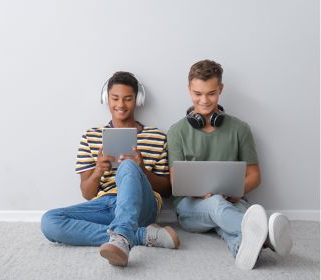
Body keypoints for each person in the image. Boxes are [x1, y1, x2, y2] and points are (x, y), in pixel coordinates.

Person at [41, 71, 180, 267]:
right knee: (49, 221)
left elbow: (167, 190)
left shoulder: (156, 136)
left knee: (128, 165)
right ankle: (139, 235)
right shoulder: (91, 136)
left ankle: (122, 238)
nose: (121, 105)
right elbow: (87, 194)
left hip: (143, 206)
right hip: (106, 204)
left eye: (128, 99)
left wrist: (142, 170)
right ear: (107, 99)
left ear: (137, 100)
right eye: (115, 98)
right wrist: (98, 170)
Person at [167, 59, 292, 270]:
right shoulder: (176, 131)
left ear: (221, 89)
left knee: (230, 224)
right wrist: (199, 193)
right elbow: (175, 180)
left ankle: (243, 248)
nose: (204, 100)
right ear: (189, 90)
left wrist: (237, 192)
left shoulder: (240, 129)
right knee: (217, 204)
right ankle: (269, 237)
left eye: (211, 93)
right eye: (198, 94)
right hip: (190, 207)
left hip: (233, 201)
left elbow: (254, 175)